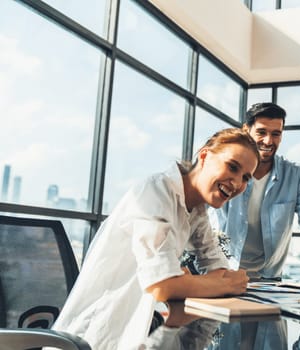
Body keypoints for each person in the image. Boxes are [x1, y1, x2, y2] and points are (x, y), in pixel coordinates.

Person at [51, 128, 260, 349]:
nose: (237, 183)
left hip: (137, 332)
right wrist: (188, 282)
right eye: (232, 167)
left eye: (245, 178)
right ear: (205, 156)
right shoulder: (156, 192)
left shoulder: (197, 210)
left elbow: (220, 271)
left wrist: (189, 282)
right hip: (97, 336)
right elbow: (161, 285)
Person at [212, 102, 300, 280]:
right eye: (261, 132)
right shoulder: (227, 170)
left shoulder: (295, 175)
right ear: (246, 130)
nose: (268, 141)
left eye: (276, 134)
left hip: (269, 279)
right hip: (223, 273)